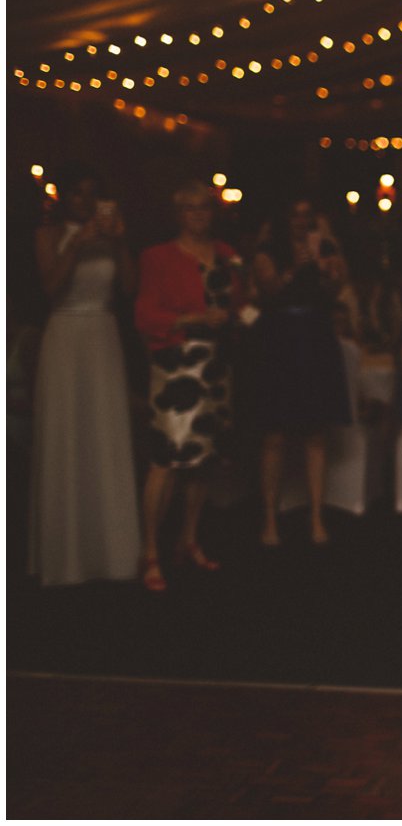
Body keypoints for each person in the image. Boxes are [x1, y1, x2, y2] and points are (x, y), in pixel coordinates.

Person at [29, 166, 141, 586]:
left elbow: (129, 289)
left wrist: (121, 242)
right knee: (67, 434)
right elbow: (50, 288)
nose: (84, 201)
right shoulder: (47, 235)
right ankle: (66, 555)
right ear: (65, 198)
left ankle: (112, 549)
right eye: (77, 193)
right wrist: (75, 245)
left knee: (105, 433)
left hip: (102, 335)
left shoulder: (112, 236)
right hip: (65, 335)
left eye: (92, 194)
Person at [134, 181, 247, 591]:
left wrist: (244, 317)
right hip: (178, 365)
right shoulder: (158, 257)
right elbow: (145, 316)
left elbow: (240, 302)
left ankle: (188, 539)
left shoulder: (226, 255)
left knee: (204, 457)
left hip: (216, 365)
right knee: (165, 458)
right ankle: (150, 551)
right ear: (178, 213)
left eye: (205, 208)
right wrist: (192, 320)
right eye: (191, 208)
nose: (199, 215)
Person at [250, 198, 352, 546]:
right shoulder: (268, 250)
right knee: (274, 434)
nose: (301, 221)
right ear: (284, 218)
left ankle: (317, 519)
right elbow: (270, 290)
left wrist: (330, 268)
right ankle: (269, 521)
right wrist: (295, 265)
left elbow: (335, 291)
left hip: (315, 336)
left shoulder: (321, 246)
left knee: (315, 432)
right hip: (279, 337)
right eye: (295, 214)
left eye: (308, 215)